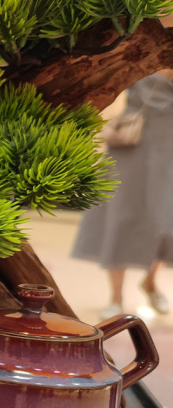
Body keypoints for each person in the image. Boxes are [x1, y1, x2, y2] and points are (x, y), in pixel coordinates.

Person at [73, 72, 173, 318]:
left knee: (164, 223)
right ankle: (116, 297)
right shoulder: (142, 58)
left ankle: (150, 282)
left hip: (168, 154)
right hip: (132, 148)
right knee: (120, 218)